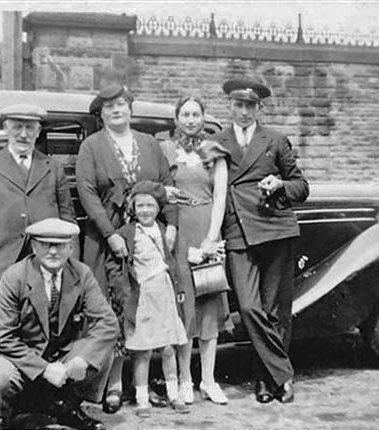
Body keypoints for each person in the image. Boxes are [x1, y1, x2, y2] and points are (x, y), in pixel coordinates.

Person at [76, 84, 178, 413]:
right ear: (101, 114)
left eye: (122, 104)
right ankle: (114, 384)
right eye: (109, 107)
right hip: (108, 241)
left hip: (148, 239)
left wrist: (172, 224)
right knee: (113, 308)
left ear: (130, 109)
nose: (117, 110)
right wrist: (110, 234)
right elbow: (87, 192)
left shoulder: (149, 144)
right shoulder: (91, 146)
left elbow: (166, 184)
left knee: (149, 304)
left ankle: (146, 383)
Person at [210, 79, 309, 404]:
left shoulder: (276, 140)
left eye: (249, 106)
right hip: (238, 232)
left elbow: (301, 186)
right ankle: (284, 372)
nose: (243, 111)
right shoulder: (216, 142)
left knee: (275, 310)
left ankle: (265, 379)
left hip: (276, 229)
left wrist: (280, 183)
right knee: (250, 308)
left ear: (259, 109)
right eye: (238, 105)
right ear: (229, 106)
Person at [0, 104, 77, 354]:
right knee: (1, 330)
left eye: (29, 128)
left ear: (38, 132)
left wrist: (71, 260)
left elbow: (68, 216)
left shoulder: (52, 167)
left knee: (42, 328)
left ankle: (38, 384)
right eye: (17, 127)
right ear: (6, 129)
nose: (23, 135)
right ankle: (2, 384)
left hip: (44, 259)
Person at [0, 218, 119, 430]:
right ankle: (4, 413)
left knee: (99, 351)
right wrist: (44, 369)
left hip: (61, 353)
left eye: (61, 245)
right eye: (46, 245)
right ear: (34, 246)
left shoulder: (81, 273)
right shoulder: (14, 276)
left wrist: (82, 360)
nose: (53, 252)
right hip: (21, 355)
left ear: (71, 247)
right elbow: (2, 337)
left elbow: (107, 322)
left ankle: (67, 407)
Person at [159, 95, 231, 405]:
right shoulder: (164, 149)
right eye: (185, 114)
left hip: (205, 228)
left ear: (203, 117)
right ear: (176, 118)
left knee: (210, 304)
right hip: (178, 231)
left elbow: (220, 196)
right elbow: (154, 185)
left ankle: (209, 380)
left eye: (196, 114)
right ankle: (186, 379)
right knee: (185, 305)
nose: (190, 119)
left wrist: (212, 238)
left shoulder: (214, 150)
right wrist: (164, 191)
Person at [106, 181, 189, 418]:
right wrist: (123, 292)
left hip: (164, 293)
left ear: (158, 208)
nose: (145, 210)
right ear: (132, 207)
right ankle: (142, 399)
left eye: (150, 205)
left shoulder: (162, 230)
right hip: (141, 295)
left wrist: (178, 288)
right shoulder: (127, 233)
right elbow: (114, 266)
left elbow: (171, 263)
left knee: (168, 347)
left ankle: (174, 394)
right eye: (140, 205)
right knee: (141, 350)